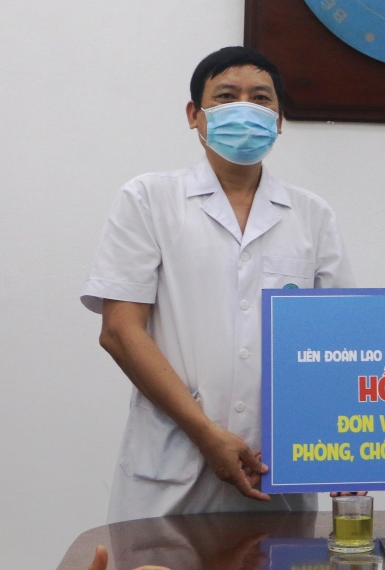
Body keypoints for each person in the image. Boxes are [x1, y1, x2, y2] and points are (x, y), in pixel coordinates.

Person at [81, 47, 355, 522]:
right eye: (227, 96)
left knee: (276, 554)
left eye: (261, 98)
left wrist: (341, 448)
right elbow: (120, 332)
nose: (245, 109)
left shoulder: (312, 215)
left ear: (279, 120)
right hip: (172, 464)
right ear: (195, 115)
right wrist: (205, 433)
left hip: (277, 467)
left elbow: (337, 343)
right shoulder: (148, 199)